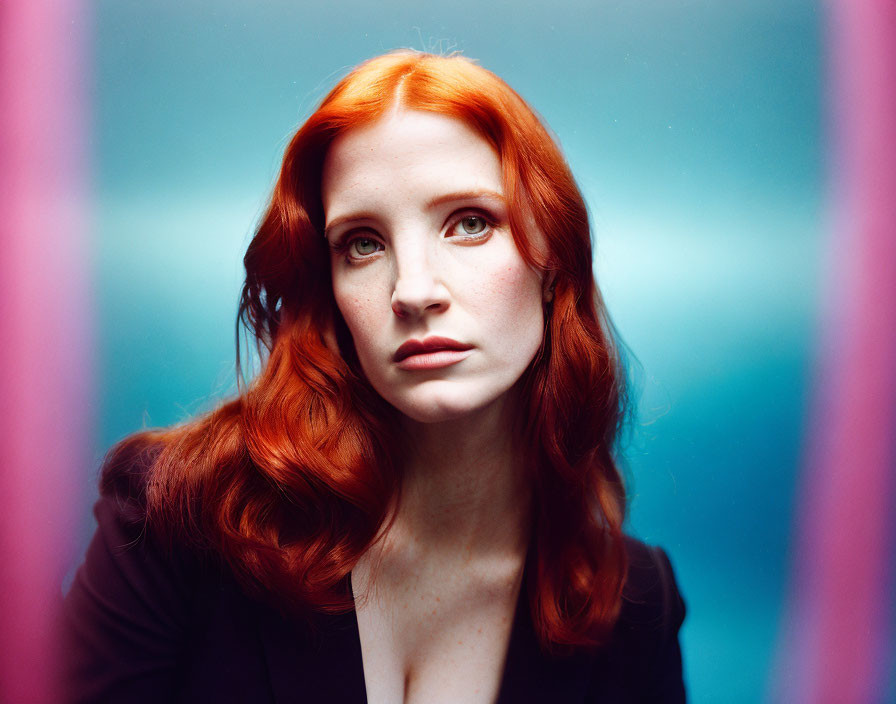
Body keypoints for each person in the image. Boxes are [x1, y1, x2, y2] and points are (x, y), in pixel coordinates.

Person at [62, 50, 686, 703]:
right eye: (363, 243)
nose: (413, 291)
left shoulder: (633, 603)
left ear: (552, 257)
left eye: (470, 223)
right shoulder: (177, 515)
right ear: (328, 285)